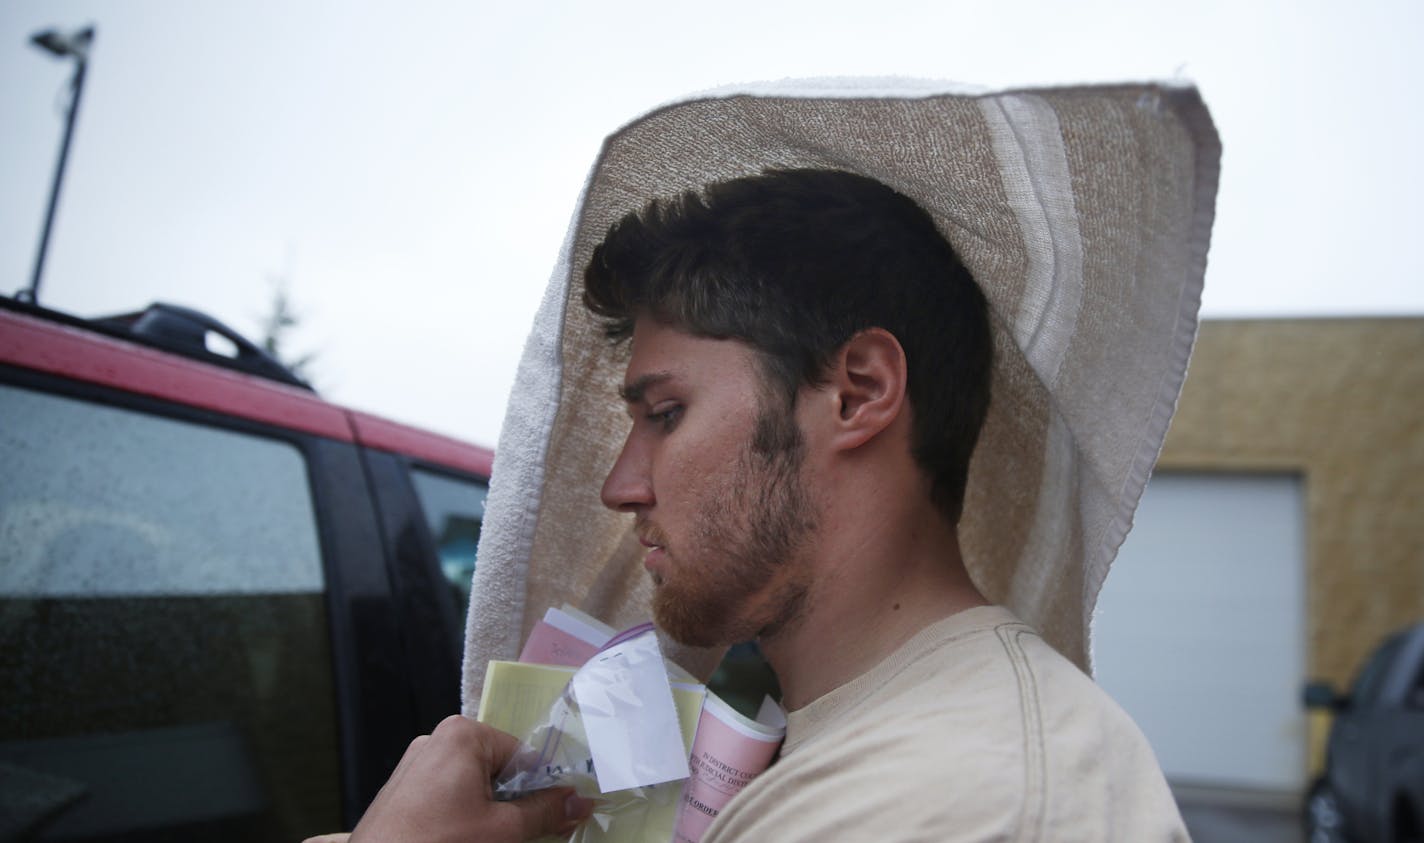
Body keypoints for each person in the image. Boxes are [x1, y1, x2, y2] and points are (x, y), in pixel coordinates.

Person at [328, 167, 1188, 842]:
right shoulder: (870, 750)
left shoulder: (949, 804)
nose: (620, 486)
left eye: (666, 414)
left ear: (857, 392)